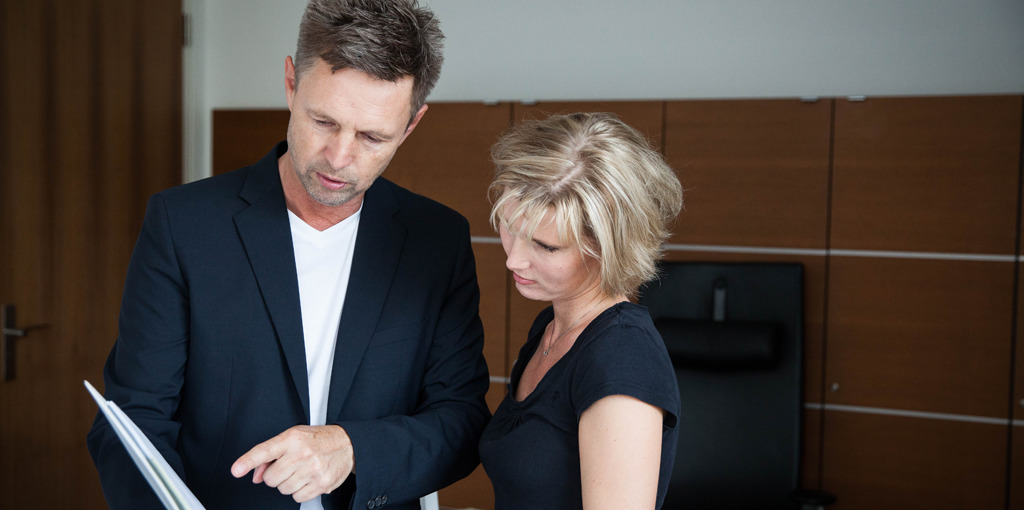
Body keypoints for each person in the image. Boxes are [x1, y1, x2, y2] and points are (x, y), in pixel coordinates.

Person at [86, 1, 490, 509]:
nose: (339, 158)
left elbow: (461, 420)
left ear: (411, 124)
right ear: (290, 84)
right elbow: (133, 420)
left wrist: (353, 448)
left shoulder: (438, 241)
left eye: (372, 137)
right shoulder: (182, 225)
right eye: (323, 121)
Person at [478, 112, 683, 509]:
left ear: (609, 247)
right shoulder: (552, 328)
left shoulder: (622, 360)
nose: (513, 260)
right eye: (509, 227)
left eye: (546, 246)